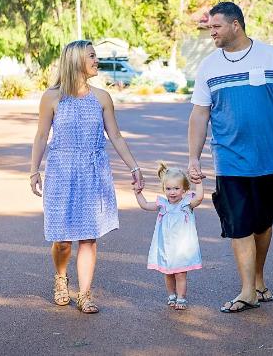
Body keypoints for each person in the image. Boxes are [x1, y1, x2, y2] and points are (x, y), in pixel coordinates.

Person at [187, 1, 273, 313]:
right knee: (239, 223)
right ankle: (247, 290)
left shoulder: (271, 55)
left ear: (235, 25)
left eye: (216, 26)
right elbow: (200, 114)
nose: (211, 32)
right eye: (209, 27)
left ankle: (258, 279)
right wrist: (194, 158)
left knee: (263, 223)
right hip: (229, 158)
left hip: (268, 158)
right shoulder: (209, 66)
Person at [30, 40, 144, 314]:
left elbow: (114, 135)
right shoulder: (52, 97)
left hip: (93, 172)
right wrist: (34, 170)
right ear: (76, 61)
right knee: (63, 238)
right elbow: (42, 136)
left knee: (89, 237)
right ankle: (61, 279)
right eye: (92, 56)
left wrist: (134, 167)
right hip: (61, 171)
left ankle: (84, 294)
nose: (97, 60)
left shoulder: (102, 97)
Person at [134, 162, 204, 311]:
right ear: (164, 189)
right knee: (168, 273)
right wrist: (138, 193)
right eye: (169, 188)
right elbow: (145, 205)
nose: (172, 192)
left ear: (184, 189)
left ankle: (181, 297)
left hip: (182, 248)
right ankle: (171, 295)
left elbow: (199, 199)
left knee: (180, 273)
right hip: (166, 247)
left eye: (176, 188)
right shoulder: (163, 205)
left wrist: (198, 184)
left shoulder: (186, 204)